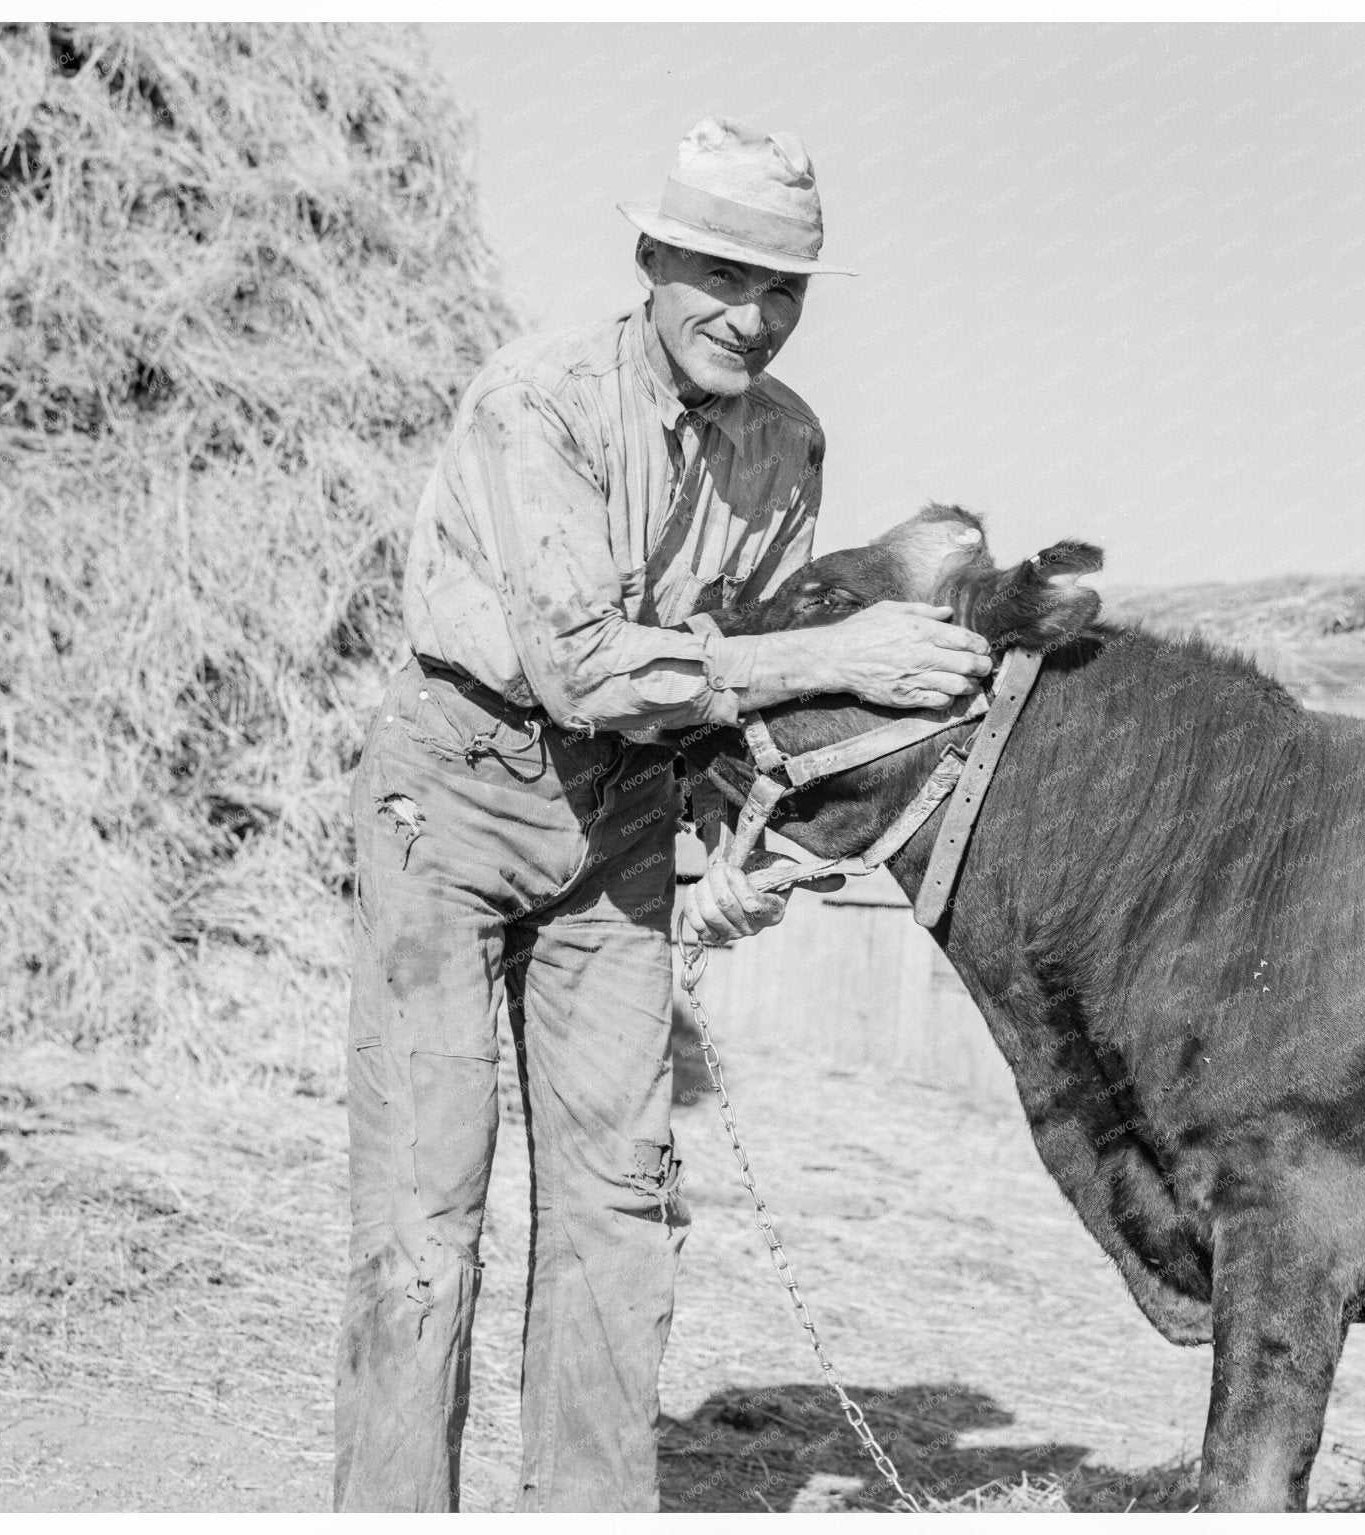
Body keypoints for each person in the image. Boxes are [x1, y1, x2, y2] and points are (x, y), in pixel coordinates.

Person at [332, 116, 992, 1512]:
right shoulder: (541, 401)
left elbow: (719, 671)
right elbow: (580, 663)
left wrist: (715, 844)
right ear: (649, 257)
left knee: (617, 1212)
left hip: (622, 825)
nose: (752, 318)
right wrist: (842, 655)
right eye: (720, 275)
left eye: (784, 289)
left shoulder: (792, 444)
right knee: (424, 1215)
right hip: (450, 796)